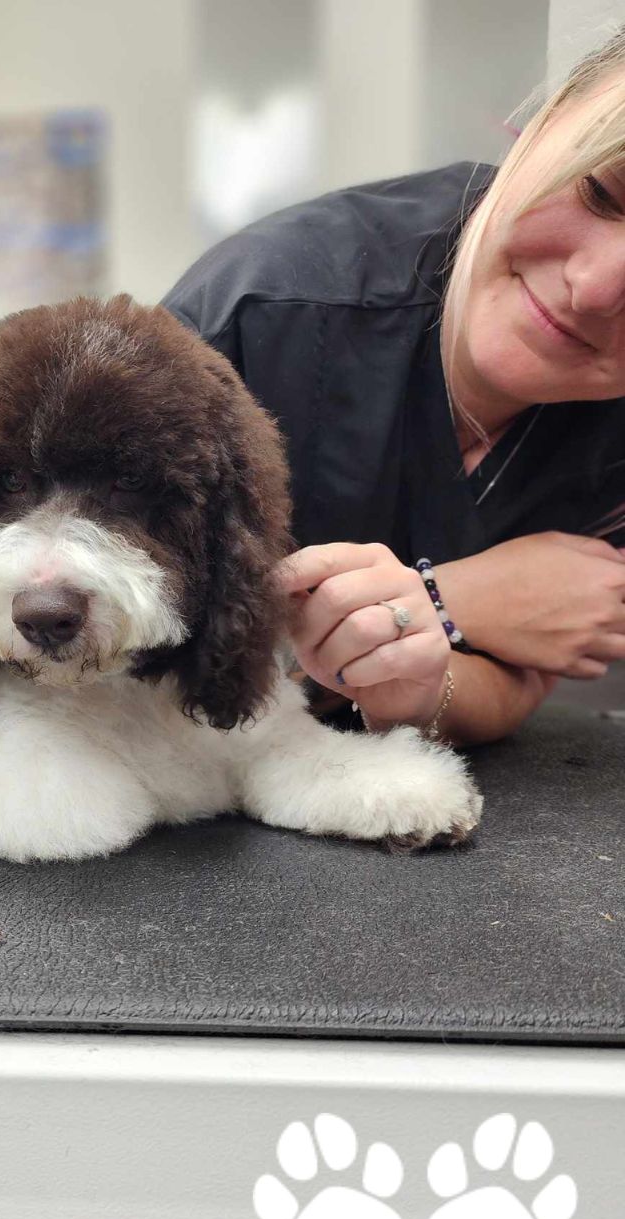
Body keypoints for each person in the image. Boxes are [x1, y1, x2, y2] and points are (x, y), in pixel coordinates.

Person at [163, 30, 625, 747]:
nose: (593, 288)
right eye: (600, 193)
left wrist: (419, 690)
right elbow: (109, 660)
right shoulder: (254, 322)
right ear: (541, 127)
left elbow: (520, 672)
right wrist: (452, 599)